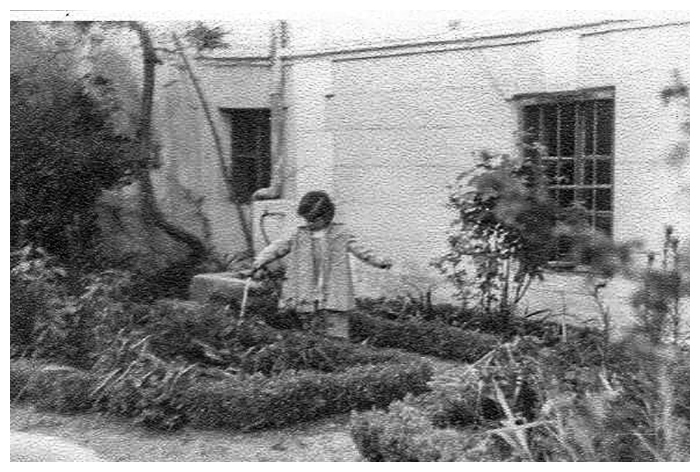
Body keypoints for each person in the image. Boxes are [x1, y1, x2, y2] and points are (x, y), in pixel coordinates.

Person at [250, 190, 392, 339]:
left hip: (332, 282)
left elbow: (361, 250)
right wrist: (260, 260)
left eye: (313, 219)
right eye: (306, 219)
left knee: (336, 316)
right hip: (306, 282)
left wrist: (379, 261)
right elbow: (278, 247)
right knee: (307, 315)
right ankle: (311, 341)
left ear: (326, 216)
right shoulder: (298, 233)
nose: (309, 223)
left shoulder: (341, 232)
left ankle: (339, 344)